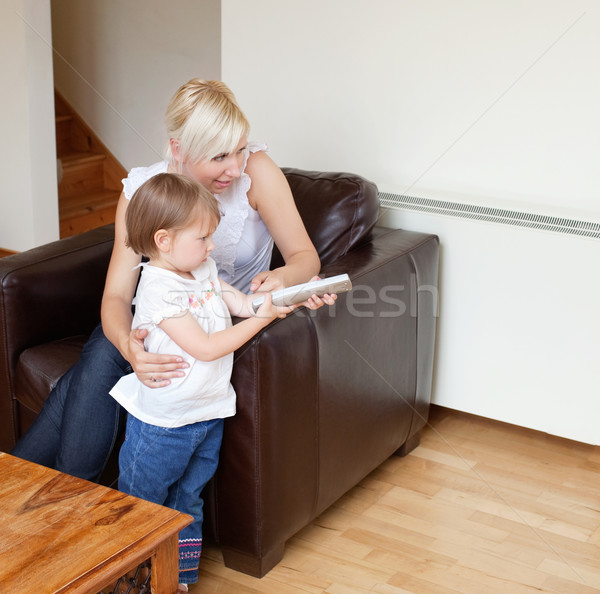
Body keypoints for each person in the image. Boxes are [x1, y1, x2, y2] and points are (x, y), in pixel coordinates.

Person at [11, 78, 323, 482]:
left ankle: (36, 496)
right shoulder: (144, 189)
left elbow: (305, 257)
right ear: (178, 149)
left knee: (79, 384)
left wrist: (282, 276)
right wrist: (128, 346)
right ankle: (54, 504)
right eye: (219, 156)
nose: (234, 166)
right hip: (158, 319)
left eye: (240, 148)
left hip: (219, 317)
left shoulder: (256, 172)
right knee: (100, 361)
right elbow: (118, 296)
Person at [112, 173, 328, 591]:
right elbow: (207, 347)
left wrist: (279, 301)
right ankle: (131, 580)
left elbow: (242, 304)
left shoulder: (203, 268)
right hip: (163, 425)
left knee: (188, 502)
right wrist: (260, 319)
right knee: (143, 505)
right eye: (204, 238)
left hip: (207, 415)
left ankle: (178, 580)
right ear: (163, 240)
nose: (213, 247)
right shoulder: (159, 290)